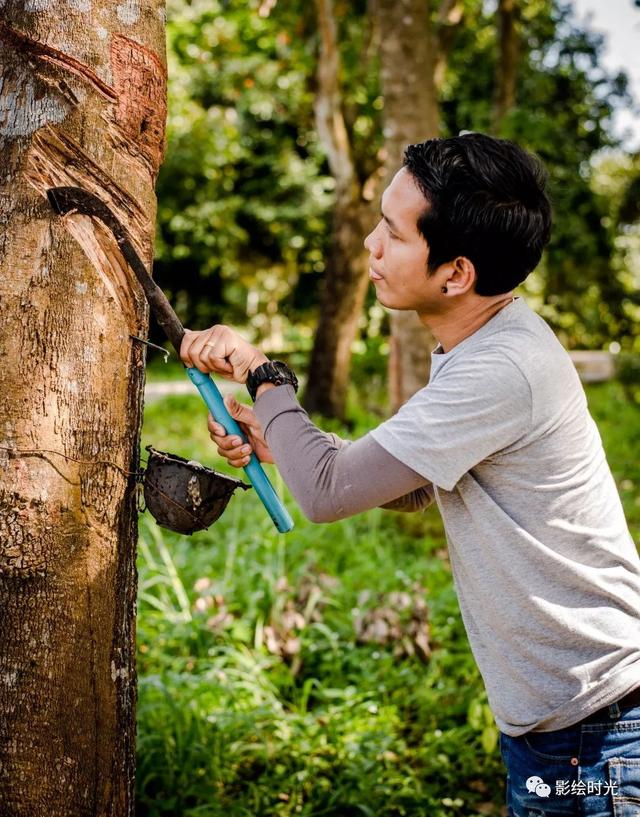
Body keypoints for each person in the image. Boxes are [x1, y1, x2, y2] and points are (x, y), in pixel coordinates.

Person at [180, 133, 640, 816]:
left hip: (594, 740)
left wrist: (262, 373)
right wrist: (289, 443)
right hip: (566, 726)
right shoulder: (480, 340)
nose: (370, 244)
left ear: (455, 273)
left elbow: (328, 493)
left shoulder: (500, 368)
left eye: (392, 233)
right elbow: (418, 480)